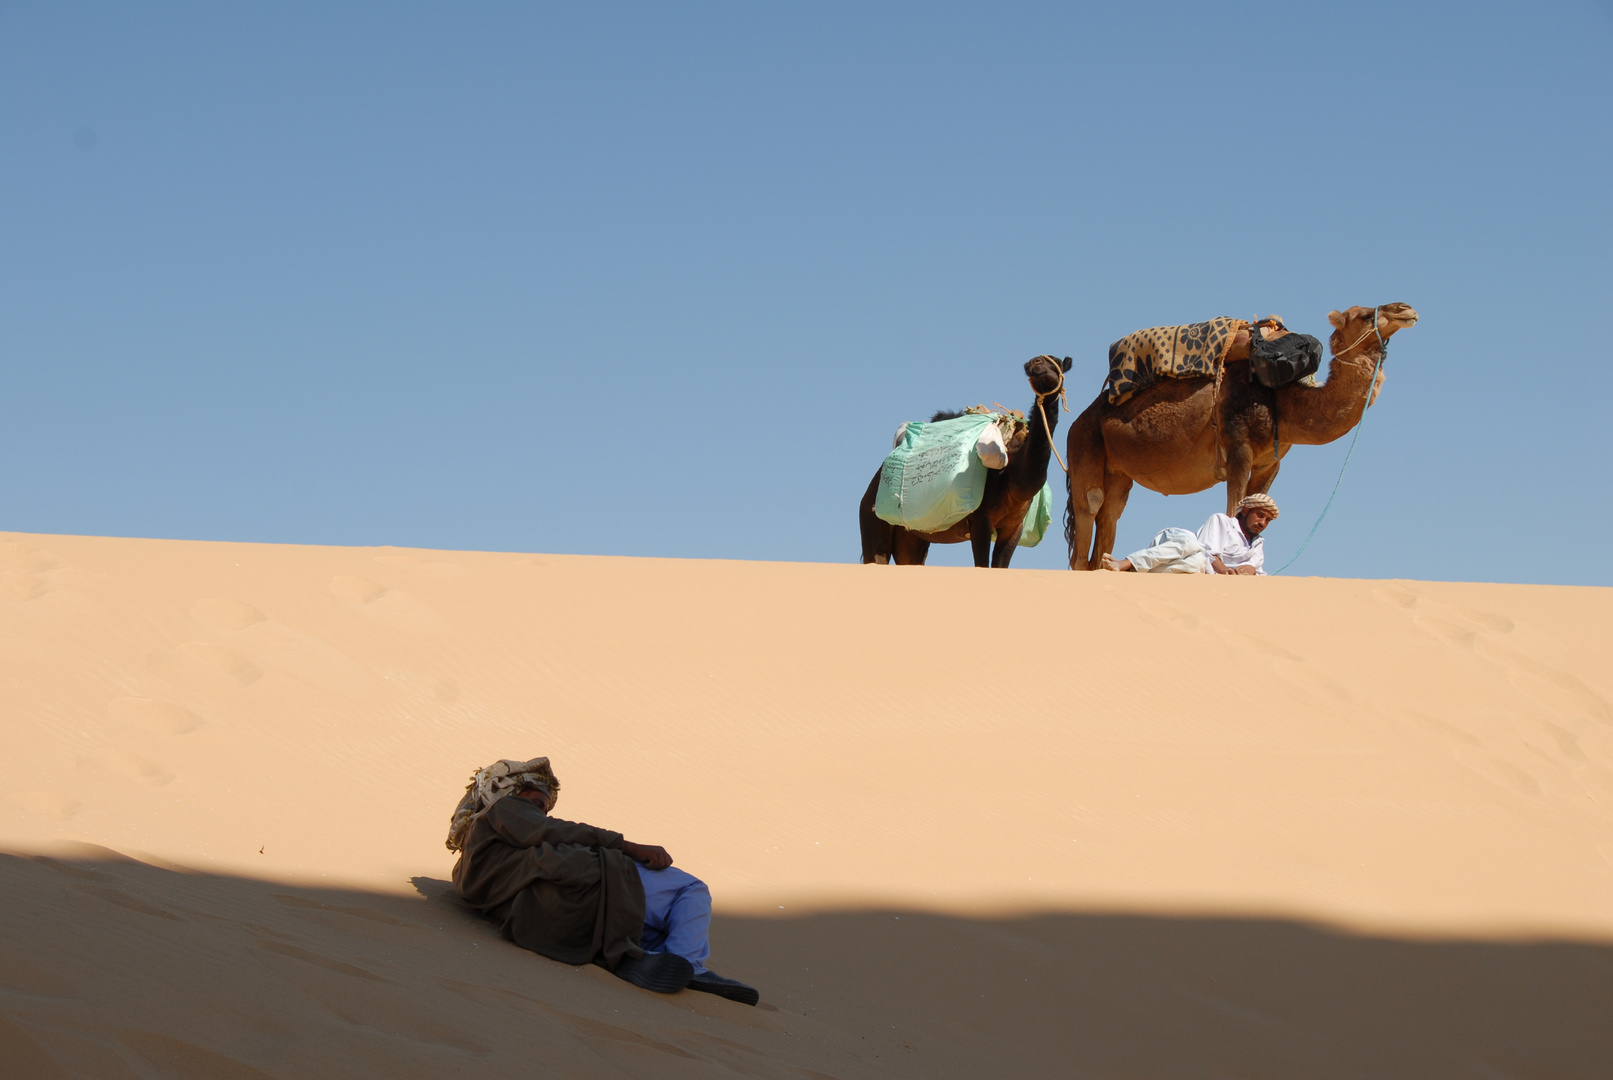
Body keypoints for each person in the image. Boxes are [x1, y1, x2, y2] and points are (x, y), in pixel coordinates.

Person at [446, 757, 759, 1005]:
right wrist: (628, 846)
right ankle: (688, 965)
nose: (541, 812)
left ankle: (646, 957)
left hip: (549, 924)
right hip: (588, 882)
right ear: (506, 793)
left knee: (647, 927)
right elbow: (550, 831)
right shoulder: (502, 811)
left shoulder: (463, 872)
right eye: (537, 804)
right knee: (691, 890)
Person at [1100, 493, 1279, 575]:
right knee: (1194, 547)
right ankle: (1125, 562)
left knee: (1195, 567)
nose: (1262, 523)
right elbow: (1208, 551)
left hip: (1196, 566)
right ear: (1246, 511)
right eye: (1260, 515)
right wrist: (1226, 571)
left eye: (1267, 520)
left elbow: (1259, 573)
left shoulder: (1257, 545)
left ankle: (1134, 573)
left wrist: (1251, 570)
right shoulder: (1222, 521)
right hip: (1178, 543)